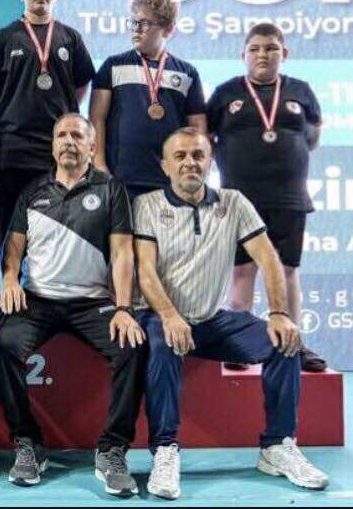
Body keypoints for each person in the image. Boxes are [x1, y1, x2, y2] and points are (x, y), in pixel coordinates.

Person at [133, 127, 329, 500]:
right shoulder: (147, 205)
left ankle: (277, 446)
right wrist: (170, 316)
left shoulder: (233, 202)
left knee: (284, 341)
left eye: (198, 155)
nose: (190, 163)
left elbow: (268, 257)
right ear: (165, 165)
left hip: (211, 320)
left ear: (210, 162)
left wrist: (279, 312)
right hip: (160, 315)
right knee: (162, 343)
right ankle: (165, 450)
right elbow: (145, 271)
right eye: (180, 156)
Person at [0, 114, 145, 496]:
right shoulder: (33, 191)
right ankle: (27, 442)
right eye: (61, 135)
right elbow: (13, 247)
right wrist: (9, 279)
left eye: (77, 135)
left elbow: (122, 253)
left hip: (92, 303)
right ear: (53, 145)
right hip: (38, 300)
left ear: (92, 147)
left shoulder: (110, 190)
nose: (68, 141)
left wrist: (124, 308)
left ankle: (112, 450)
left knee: (132, 347)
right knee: (4, 343)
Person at [207, 22, 326, 373]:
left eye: (271, 48)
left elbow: (313, 137)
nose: (263, 54)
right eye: (255, 48)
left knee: (287, 270)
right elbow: (205, 138)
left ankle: (293, 346)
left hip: (289, 199)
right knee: (242, 271)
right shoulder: (225, 93)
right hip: (239, 202)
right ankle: (239, 346)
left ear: (283, 53)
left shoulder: (301, 91)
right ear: (243, 54)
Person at [0, 0, 95, 231]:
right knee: (13, 226)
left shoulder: (71, 38)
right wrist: (14, 111)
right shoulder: (3, 38)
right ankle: (12, 263)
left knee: (59, 226)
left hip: (59, 149)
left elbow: (81, 85)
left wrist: (61, 115)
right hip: (14, 149)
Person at [89, 0, 206, 200]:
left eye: (144, 23)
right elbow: (97, 119)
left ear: (168, 29)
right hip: (121, 181)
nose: (136, 29)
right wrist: (99, 165)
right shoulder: (113, 66)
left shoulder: (187, 73)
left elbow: (197, 128)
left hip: (171, 183)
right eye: (134, 22)